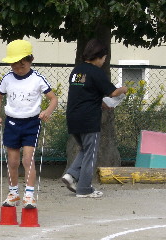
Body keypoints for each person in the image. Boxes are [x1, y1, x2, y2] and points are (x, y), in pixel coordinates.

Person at [0, 40, 58, 209]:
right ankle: (13, 193)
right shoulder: (7, 79)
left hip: (31, 123)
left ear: (31, 60)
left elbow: (53, 98)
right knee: (13, 161)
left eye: (22, 66)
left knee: (28, 159)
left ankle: (29, 195)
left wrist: (47, 112)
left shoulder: (37, 79)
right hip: (12, 123)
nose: (18, 69)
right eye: (14, 66)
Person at [62, 39, 128, 198]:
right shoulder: (96, 72)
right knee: (91, 153)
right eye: (104, 57)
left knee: (85, 149)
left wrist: (100, 102)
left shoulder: (77, 72)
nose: (104, 60)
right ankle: (84, 188)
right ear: (99, 56)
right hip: (89, 119)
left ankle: (70, 175)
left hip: (73, 117)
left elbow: (85, 93)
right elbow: (112, 93)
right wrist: (123, 89)